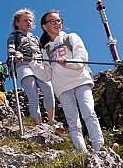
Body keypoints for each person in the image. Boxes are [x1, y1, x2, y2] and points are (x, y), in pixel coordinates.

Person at [29, 10, 104, 152]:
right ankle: (82, 153)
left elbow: (82, 58)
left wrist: (67, 62)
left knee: (88, 112)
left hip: (81, 80)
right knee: (73, 122)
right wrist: (33, 63)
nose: (57, 23)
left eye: (59, 21)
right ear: (44, 26)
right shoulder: (46, 50)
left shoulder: (71, 37)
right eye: (53, 21)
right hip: (62, 87)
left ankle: (99, 148)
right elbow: (46, 75)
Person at [7, 8, 55, 125]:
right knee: (32, 93)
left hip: (38, 64)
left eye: (30, 20)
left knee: (48, 88)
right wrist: (16, 54)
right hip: (23, 65)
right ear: (17, 23)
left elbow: (42, 50)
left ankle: (51, 121)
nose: (29, 22)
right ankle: (38, 124)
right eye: (25, 20)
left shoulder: (35, 38)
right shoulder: (14, 36)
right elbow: (10, 49)